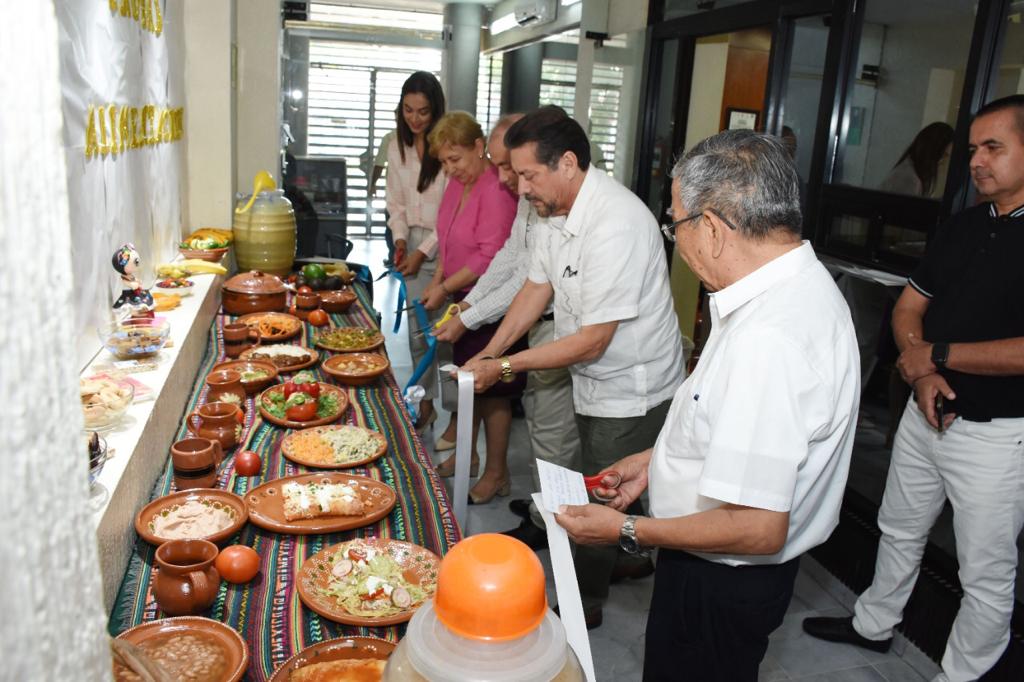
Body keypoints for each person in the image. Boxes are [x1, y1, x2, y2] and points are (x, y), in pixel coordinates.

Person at [556, 129, 860, 681]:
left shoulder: (770, 338)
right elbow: (734, 422)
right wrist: (655, 461)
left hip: (721, 577)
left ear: (714, 229)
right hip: (724, 568)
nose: (675, 239)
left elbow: (755, 527)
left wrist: (625, 533)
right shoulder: (783, 287)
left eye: (675, 224)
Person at [804, 96, 1024, 682]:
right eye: (973, 149)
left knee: (985, 570)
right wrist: (924, 372)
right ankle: (874, 623)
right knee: (899, 526)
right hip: (927, 414)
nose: (976, 161)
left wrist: (938, 355)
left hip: (997, 434)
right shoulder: (963, 226)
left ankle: (962, 674)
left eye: (993, 148)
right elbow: (908, 307)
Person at [461, 105, 685, 627]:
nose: (520, 189)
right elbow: (536, 289)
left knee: (600, 497)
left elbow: (592, 341)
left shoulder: (617, 222)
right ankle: (627, 559)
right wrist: (492, 349)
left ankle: (585, 605)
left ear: (567, 163)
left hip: (631, 388)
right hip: (591, 377)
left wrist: (507, 366)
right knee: (591, 482)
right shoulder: (552, 212)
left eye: (528, 176)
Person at [433, 113, 581, 547]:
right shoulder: (526, 196)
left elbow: (525, 280)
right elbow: (510, 260)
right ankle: (542, 512)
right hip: (538, 327)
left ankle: (561, 539)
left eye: (511, 169)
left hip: (562, 331)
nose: (505, 179)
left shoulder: (546, 200)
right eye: (501, 167)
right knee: (540, 429)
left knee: (554, 440)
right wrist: (469, 303)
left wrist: (470, 316)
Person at [423, 111, 520, 504]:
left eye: (456, 159)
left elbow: (488, 256)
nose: (449, 169)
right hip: (461, 299)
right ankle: (468, 455)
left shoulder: (496, 189)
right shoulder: (456, 183)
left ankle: (497, 471)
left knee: (493, 392)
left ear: (479, 148)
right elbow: (446, 238)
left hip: (491, 302)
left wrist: (448, 286)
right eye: (444, 161)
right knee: (467, 386)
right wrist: (437, 281)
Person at [385, 72, 446, 430]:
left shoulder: (446, 146)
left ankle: (456, 417)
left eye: (423, 111)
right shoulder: (397, 144)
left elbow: (452, 215)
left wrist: (422, 251)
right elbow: (396, 204)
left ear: (435, 111)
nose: (415, 118)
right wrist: (401, 241)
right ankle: (425, 405)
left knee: (447, 334)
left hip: (448, 244)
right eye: (408, 110)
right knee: (416, 332)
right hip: (415, 242)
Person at [880, 121, 954, 198]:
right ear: (932, 150)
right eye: (943, 155)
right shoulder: (910, 179)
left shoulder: (910, 172)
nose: (942, 161)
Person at [370, 129, 396, 266]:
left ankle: (393, 258)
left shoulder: (390, 137)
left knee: (392, 227)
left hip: (395, 193)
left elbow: (380, 163)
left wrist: (373, 184)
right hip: (415, 193)